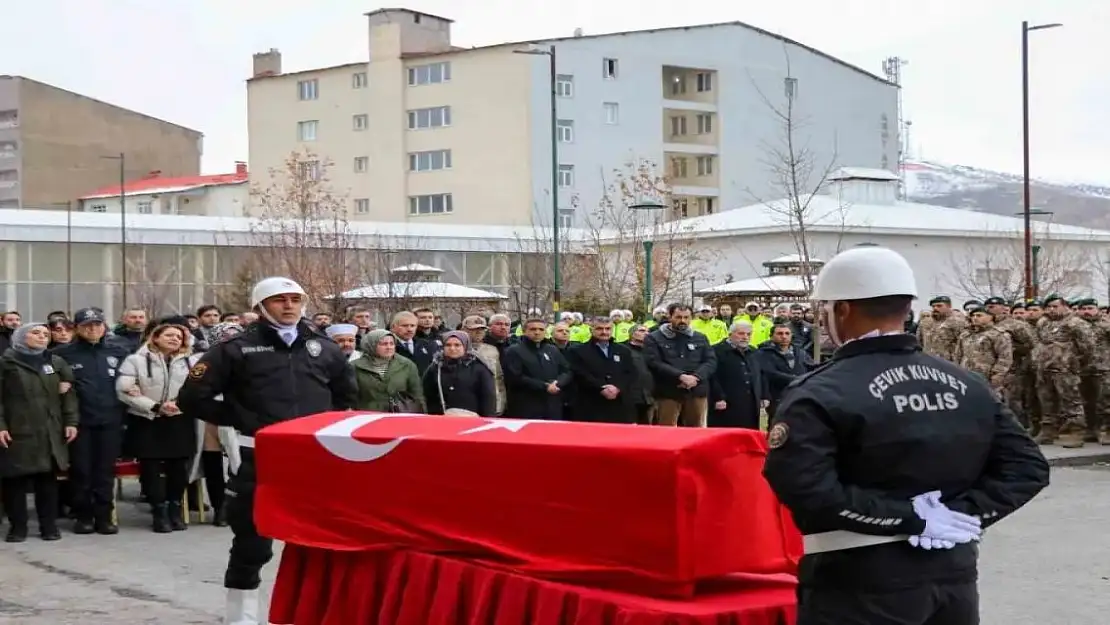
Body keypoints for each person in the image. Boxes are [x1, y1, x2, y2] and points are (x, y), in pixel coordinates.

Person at [762, 245, 1050, 625]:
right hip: (952, 574)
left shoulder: (819, 391)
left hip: (856, 577)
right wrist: (960, 516)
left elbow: (805, 486)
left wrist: (907, 519)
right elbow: (1028, 468)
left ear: (842, 310)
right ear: (907, 308)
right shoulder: (968, 384)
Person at [177, 277, 356, 625]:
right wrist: (242, 417)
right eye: (279, 300)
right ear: (260, 307)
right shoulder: (235, 348)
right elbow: (191, 398)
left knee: (321, 540)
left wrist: (319, 426)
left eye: (295, 299)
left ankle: (317, 613)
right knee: (252, 542)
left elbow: (346, 395)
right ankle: (241, 617)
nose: (289, 306)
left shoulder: (325, 347)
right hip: (259, 456)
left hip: (314, 457)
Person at [53, 307, 132, 535]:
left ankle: (104, 517)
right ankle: (84, 516)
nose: (93, 329)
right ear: (76, 328)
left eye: (97, 324)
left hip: (111, 420)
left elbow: (129, 382)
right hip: (79, 422)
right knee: (82, 471)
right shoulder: (62, 354)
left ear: (104, 326)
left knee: (105, 471)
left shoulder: (119, 351)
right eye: (87, 325)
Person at [116, 320, 199, 533]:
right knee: (151, 468)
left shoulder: (192, 361)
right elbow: (125, 390)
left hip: (180, 419)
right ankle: (158, 511)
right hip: (147, 419)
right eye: (169, 335)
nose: (174, 339)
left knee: (178, 468)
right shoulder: (136, 360)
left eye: (179, 337)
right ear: (155, 338)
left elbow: (201, 389)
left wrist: (180, 405)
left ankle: (175, 507)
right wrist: (154, 406)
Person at [0, 323, 78, 542]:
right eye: (36, 333)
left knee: (47, 480)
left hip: (49, 431)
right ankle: (18, 527)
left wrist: (71, 421)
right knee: (15, 480)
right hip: (18, 430)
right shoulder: (6, 362)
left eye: (45, 334)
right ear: (21, 337)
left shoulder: (55, 362)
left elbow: (69, 395)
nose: (42, 337)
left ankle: (48, 526)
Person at [565, 318, 638, 423]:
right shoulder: (577, 350)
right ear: (591, 330)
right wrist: (600, 387)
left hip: (619, 404)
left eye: (607, 329)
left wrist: (618, 388)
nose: (604, 332)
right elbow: (579, 373)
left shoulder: (623, 350)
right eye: (599, 328)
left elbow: (631, 372)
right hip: (590, 404)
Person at [709, 321, 768, 430]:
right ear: (730, 334)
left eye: (748, 334)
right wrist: (718, 397)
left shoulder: (754, 352)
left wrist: (764, 395)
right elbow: (712, 377)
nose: (745, 337)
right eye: (741, 334)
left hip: (751, 402)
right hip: (727, 402)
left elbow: (761, 374)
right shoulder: (716, 351)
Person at [423, 331, 496, 416]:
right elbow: (427, 395)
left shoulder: (479, 368)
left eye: (457, 345)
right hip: (441, 420)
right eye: (448, 345)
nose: (452, 348)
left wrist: (487, 420)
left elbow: (488, 398)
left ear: (465, 346)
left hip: (473, 421)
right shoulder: (436, 367)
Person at [352, 329, 425, 413]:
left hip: (398, 416)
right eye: (383, 344)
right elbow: (351, 397)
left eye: (392, 344)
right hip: (368, 417)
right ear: (371, 345)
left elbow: (417, 395)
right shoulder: (355, 366)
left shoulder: (407, 365)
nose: (389, 347)